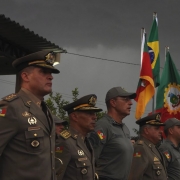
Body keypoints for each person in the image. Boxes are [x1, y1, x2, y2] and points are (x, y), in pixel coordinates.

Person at [0, 50, 60, 180]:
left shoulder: (46, 110)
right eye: (43, 72)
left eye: (50, 73)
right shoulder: (11, 107)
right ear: (25, 76)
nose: (50, 77)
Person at [88, 86, 136, 180]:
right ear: (113, 102)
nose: (130, 103)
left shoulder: (125, 128)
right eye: (125, 99)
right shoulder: (102, 127)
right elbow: (90, 160)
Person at [55, 94, 102, 180]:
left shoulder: (86, 142)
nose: (95, 117)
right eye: (89, 113)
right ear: (74, 117)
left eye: (95, 114)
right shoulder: (64, 142)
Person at [128, 113, 168, 180]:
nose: (161, 131)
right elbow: (134, 177)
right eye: (156, 128)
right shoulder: (140, 148)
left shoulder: (152, 148)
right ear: (146, 130)